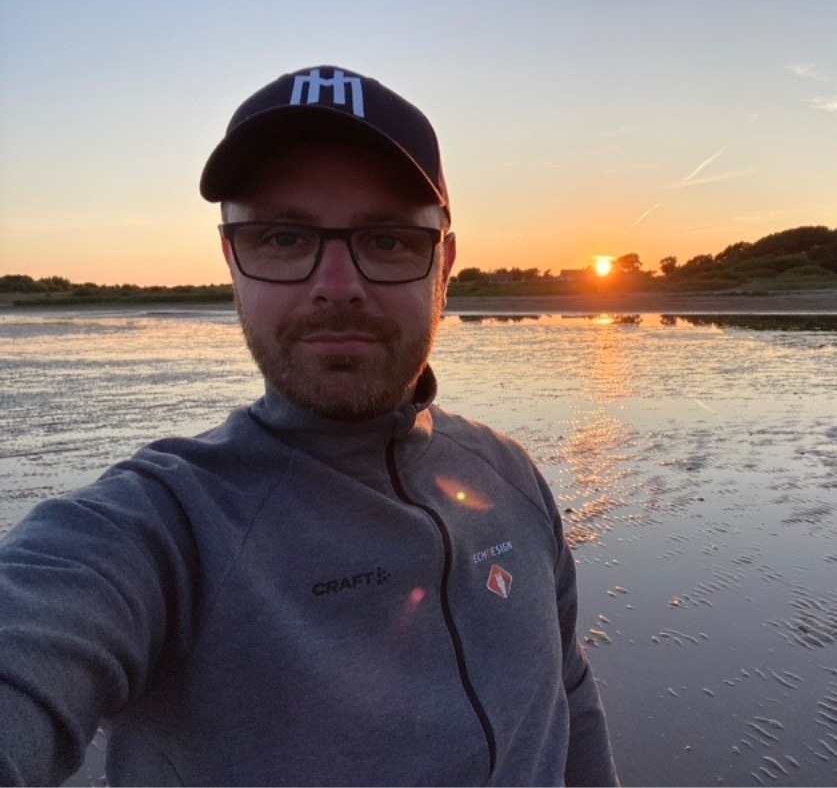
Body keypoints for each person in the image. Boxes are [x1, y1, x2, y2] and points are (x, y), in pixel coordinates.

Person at [0, 65, 617, 786]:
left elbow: (568, 691)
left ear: (444, 264)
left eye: (387, 240)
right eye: (285, 237)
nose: (337, 287)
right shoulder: (162, 529)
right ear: (233, 260)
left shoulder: (511, 476)